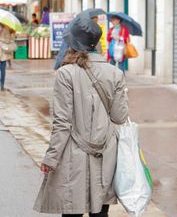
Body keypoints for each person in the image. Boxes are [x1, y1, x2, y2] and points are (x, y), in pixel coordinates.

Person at [34, 16, 128, 217]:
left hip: (72, 155)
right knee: (100, 212)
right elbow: (120, 117)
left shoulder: (65, 73)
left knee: (71, 210)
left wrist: (51, 157)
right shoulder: (115, 73)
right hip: (106, 153)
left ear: (73, 43)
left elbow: (62, 123)